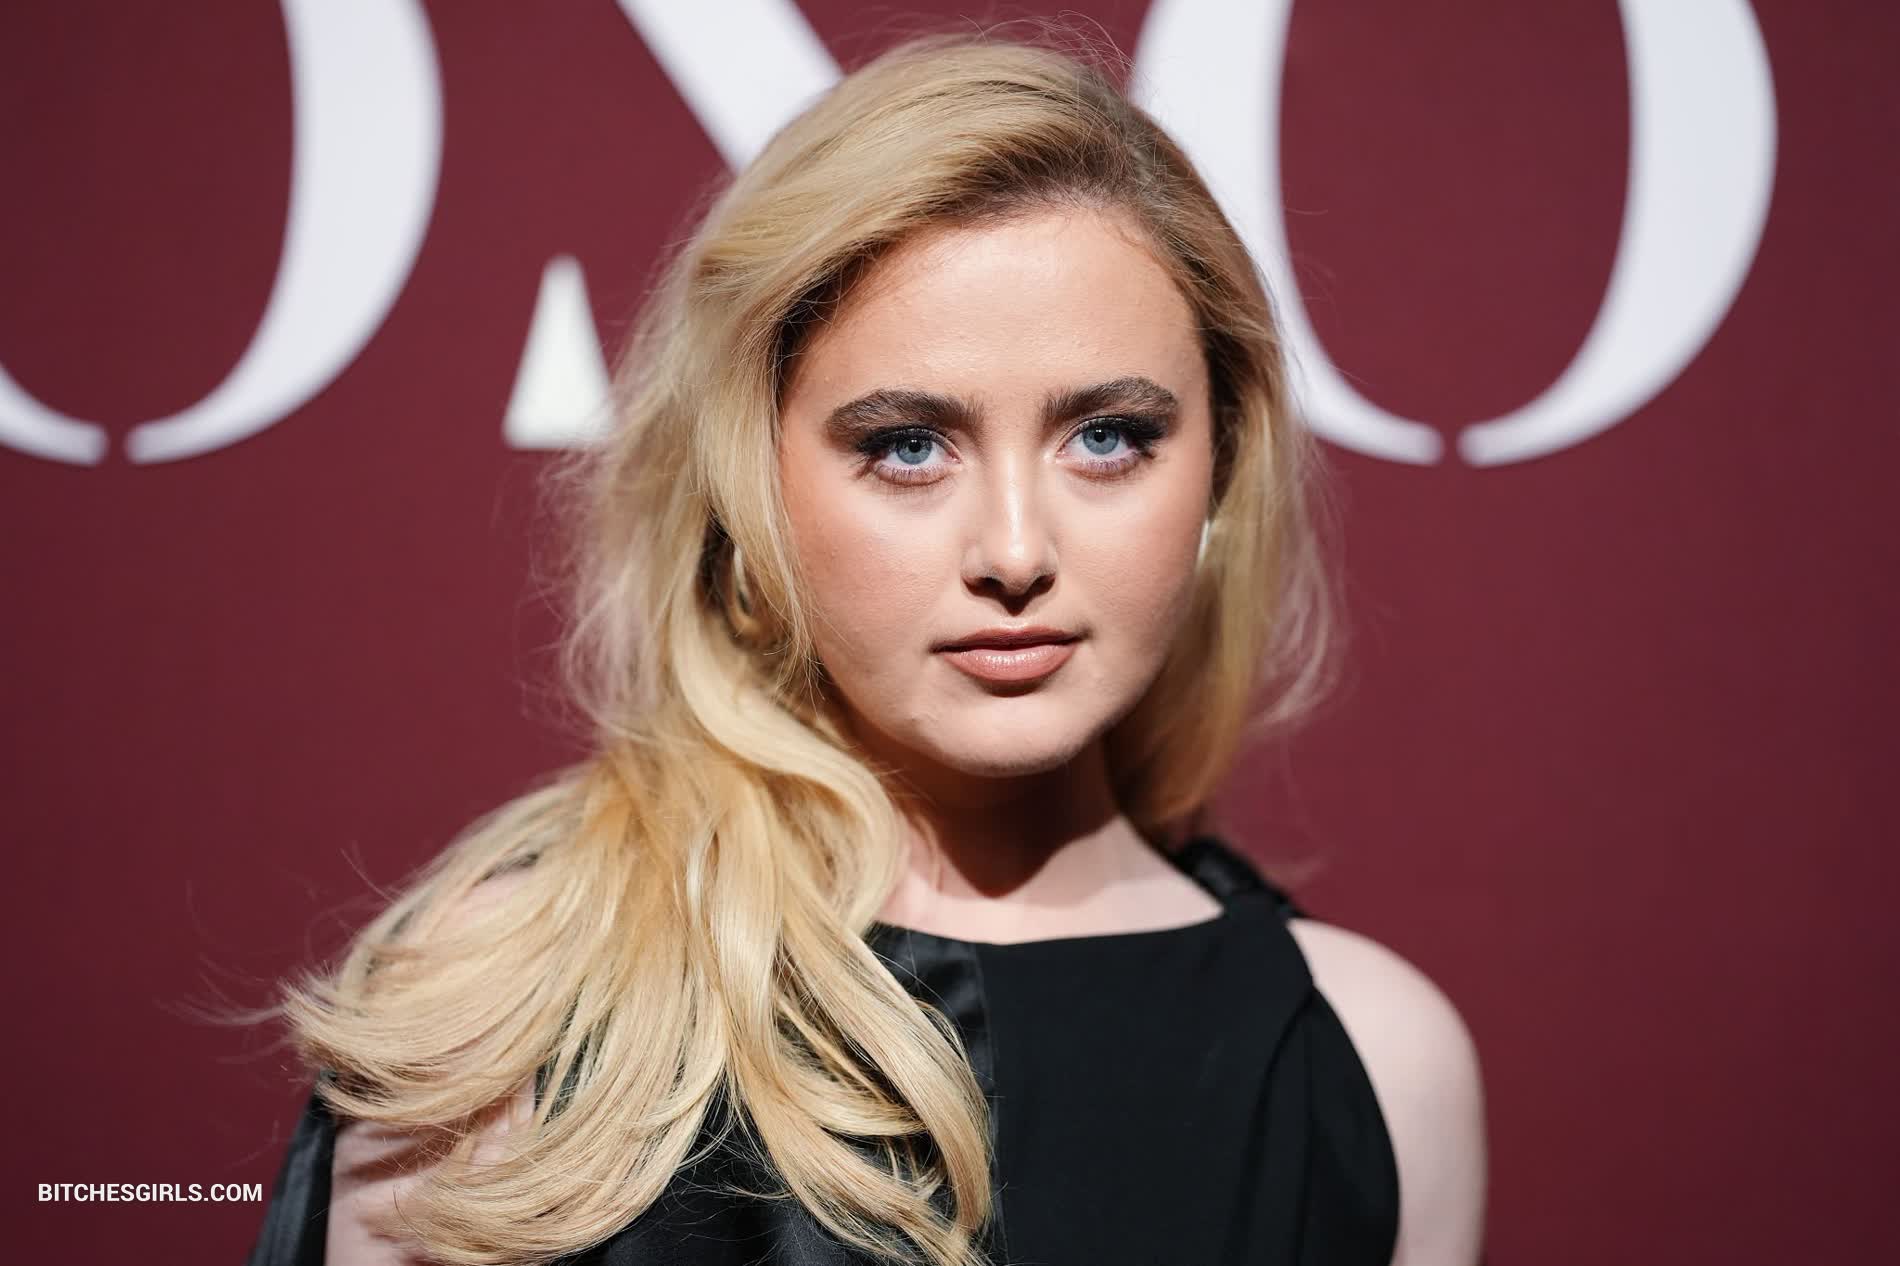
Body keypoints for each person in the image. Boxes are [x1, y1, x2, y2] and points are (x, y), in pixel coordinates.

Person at [246, 27, 1486, 1266]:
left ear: (1219, 465)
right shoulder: (516, 996)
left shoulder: (1371, 1065)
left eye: (1106, 437)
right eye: (907, 446)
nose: (1014, 550)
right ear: (750, 484)